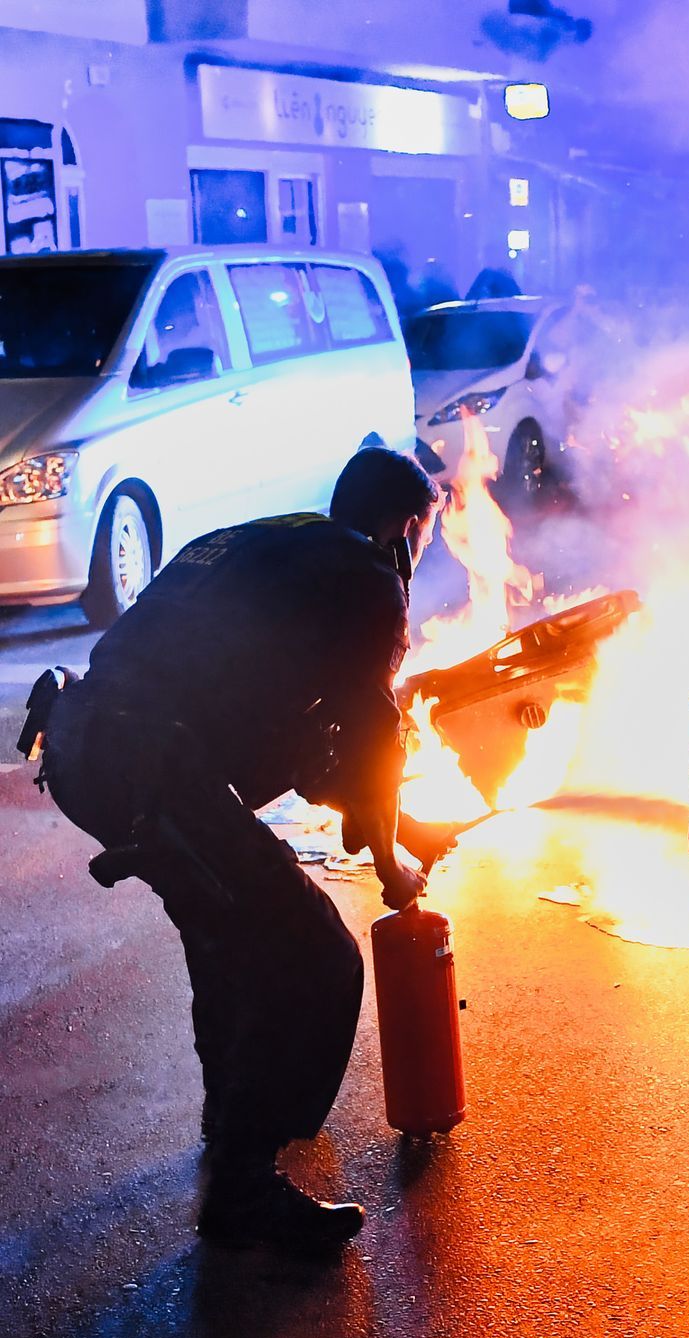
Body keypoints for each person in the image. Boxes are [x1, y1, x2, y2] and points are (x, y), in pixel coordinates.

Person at [23, 447, 444, 1256]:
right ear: (401, 526)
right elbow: (375, 734)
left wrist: (386, 819)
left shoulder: (269, 544)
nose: (419, 557)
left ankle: (233, 1123)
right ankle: (243, 1190)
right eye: (423, 537)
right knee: (315, 954)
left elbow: (296, 740)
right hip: (151, 763)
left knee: (225, 928)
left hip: (85, 744)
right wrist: (392, 865)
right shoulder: (368, 577)